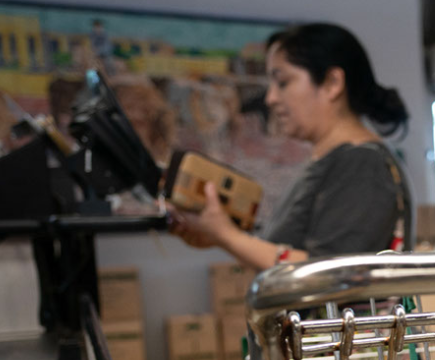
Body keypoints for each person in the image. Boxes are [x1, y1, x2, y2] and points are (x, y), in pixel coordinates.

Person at [170, 23, 412, 269]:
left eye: (283, 82)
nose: (271, 98)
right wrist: (219, 236)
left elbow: (335, 272)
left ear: (332, 83)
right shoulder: (333, 160)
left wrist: (228, 236)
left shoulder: (362, 164)